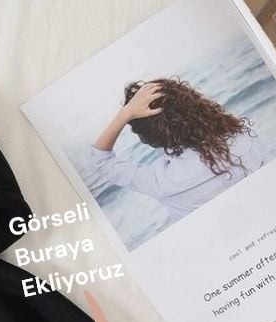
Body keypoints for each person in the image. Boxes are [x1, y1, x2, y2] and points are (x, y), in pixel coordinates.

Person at [87, 77, 268, 221]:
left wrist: (126, 113)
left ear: (147, 138)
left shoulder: (161, 182)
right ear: (193, 105)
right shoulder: (241, 135)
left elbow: (99, 160)